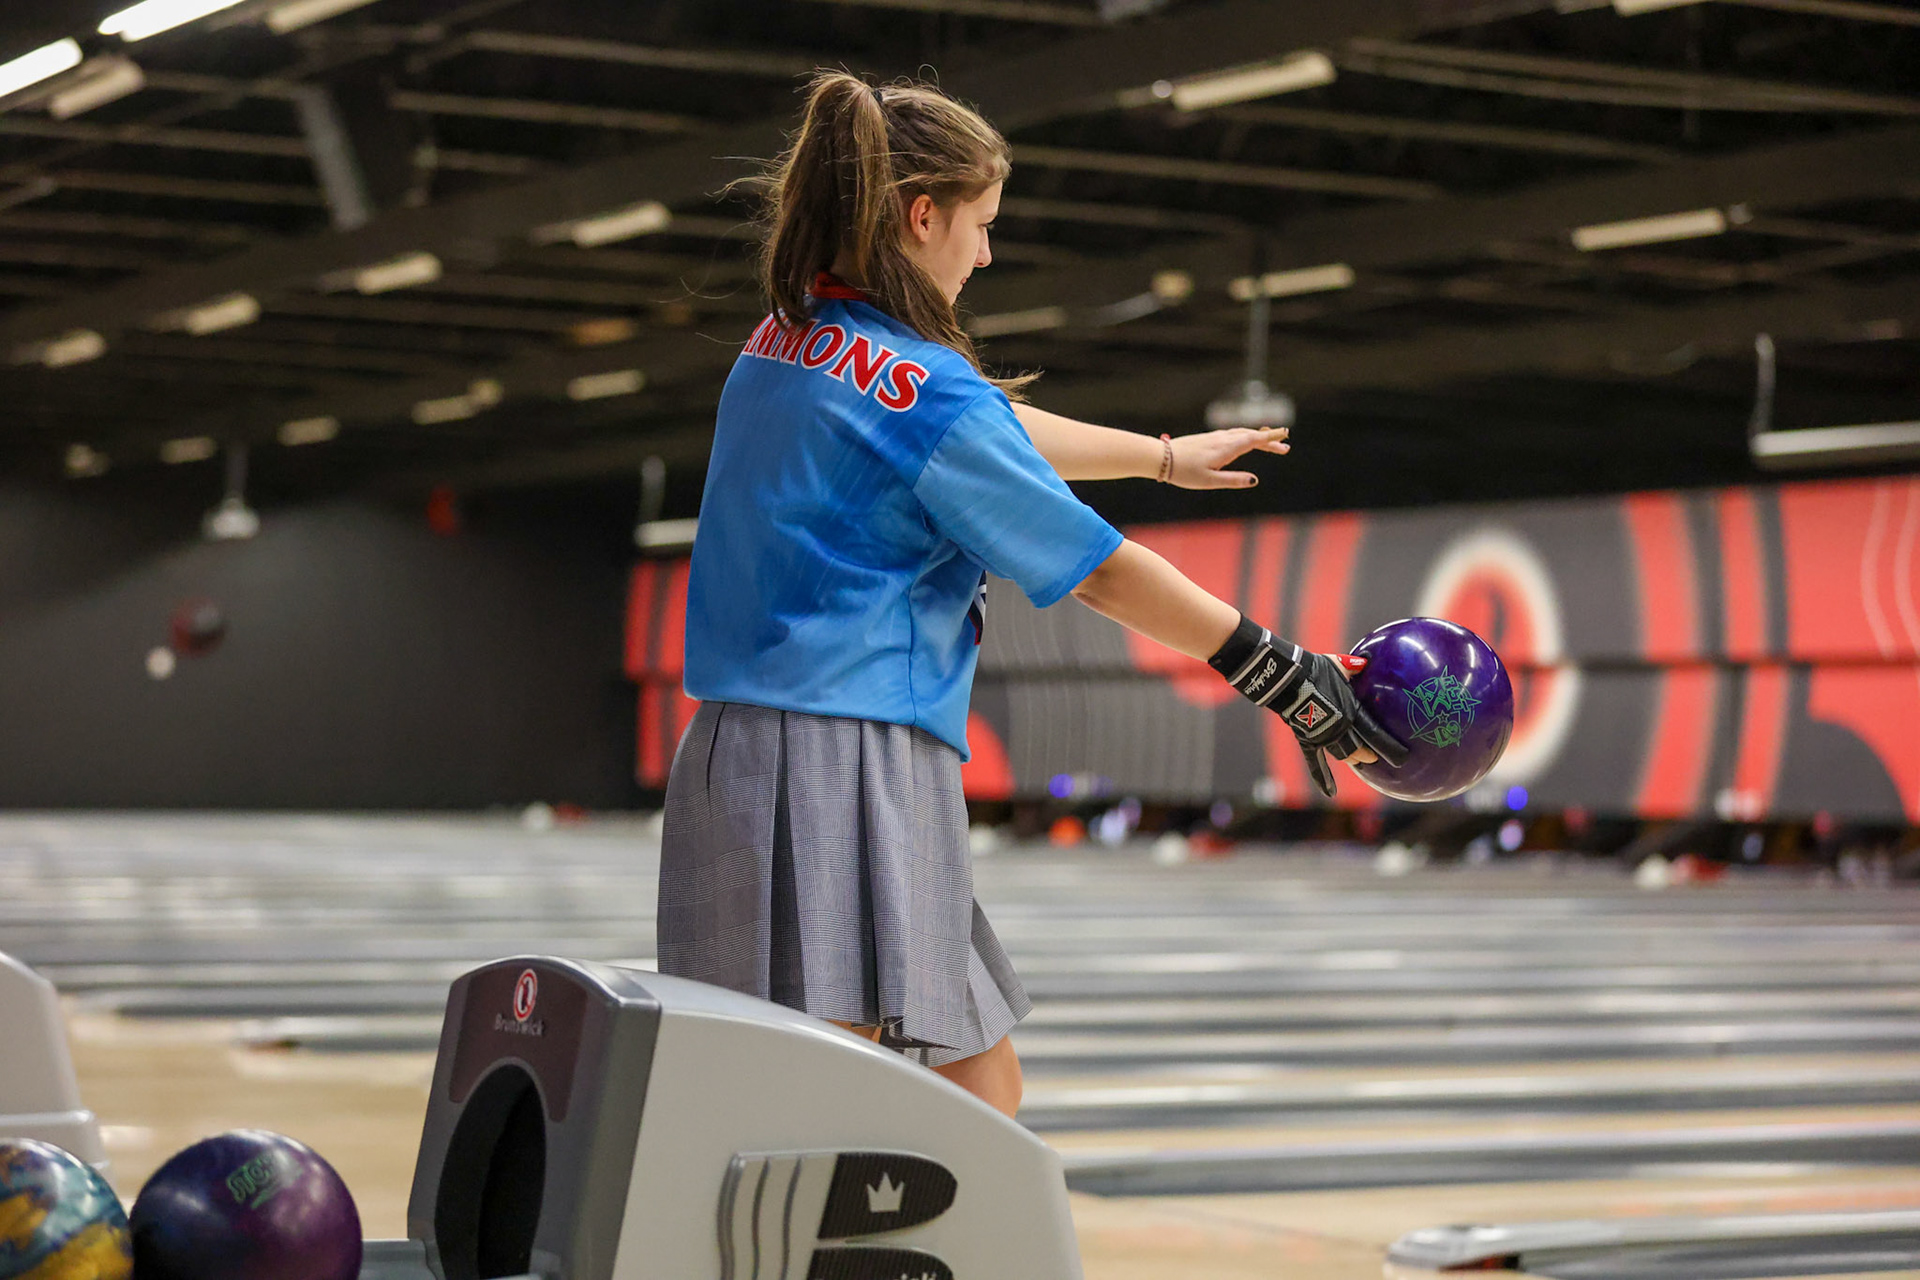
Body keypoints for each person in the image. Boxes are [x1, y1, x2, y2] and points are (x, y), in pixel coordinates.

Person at [658, 71, 1405, 1118]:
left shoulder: (780, 340)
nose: (986, 252)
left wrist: (1159, 455)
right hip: (850, 753)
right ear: (924, 216)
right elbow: (1098, 567)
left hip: (739, 750)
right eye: (980, 225)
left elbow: (971, 423)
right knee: (811, 1106)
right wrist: (1286, 676)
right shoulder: (928, 392)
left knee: (974, 1083)